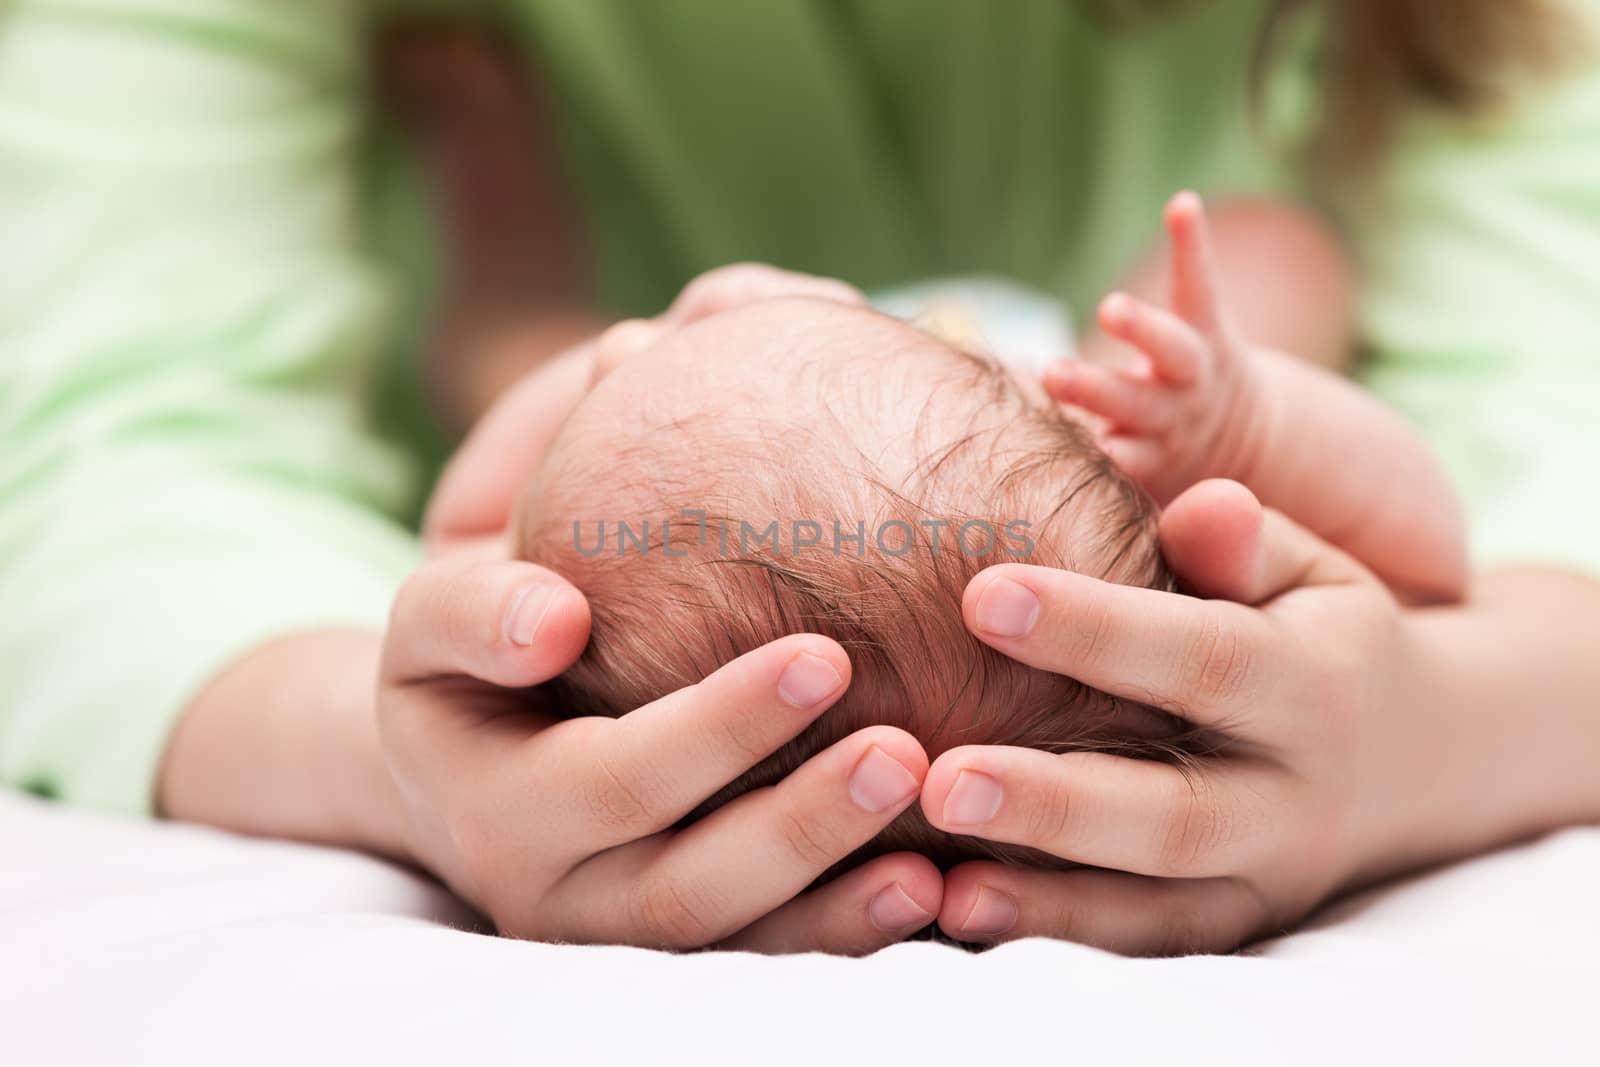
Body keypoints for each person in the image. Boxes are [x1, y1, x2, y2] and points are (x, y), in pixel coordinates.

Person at [3, 0, 1598, 955]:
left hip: (724, 443)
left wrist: (604, 390)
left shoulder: (577, 547)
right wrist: (1245, 434)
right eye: (728, 318)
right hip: (1076, 370)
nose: (748, 281)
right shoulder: (1147, 546)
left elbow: (463, 548)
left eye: (695, 324)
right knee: (1274, 259)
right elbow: (1428, 542)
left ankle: (493, 169)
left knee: (508, 331)